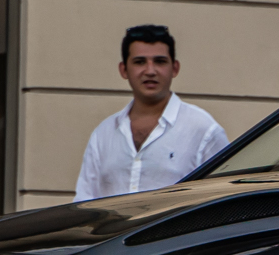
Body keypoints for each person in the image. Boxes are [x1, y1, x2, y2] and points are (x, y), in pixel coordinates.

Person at [74, 25, 230, 201]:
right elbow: (84, 202)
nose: (150, 71)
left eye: (160, 61)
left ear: (175, 68)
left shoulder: (203, 130)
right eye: (140, 62)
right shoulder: (104, 134)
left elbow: (222, 201)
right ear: (124, 70)